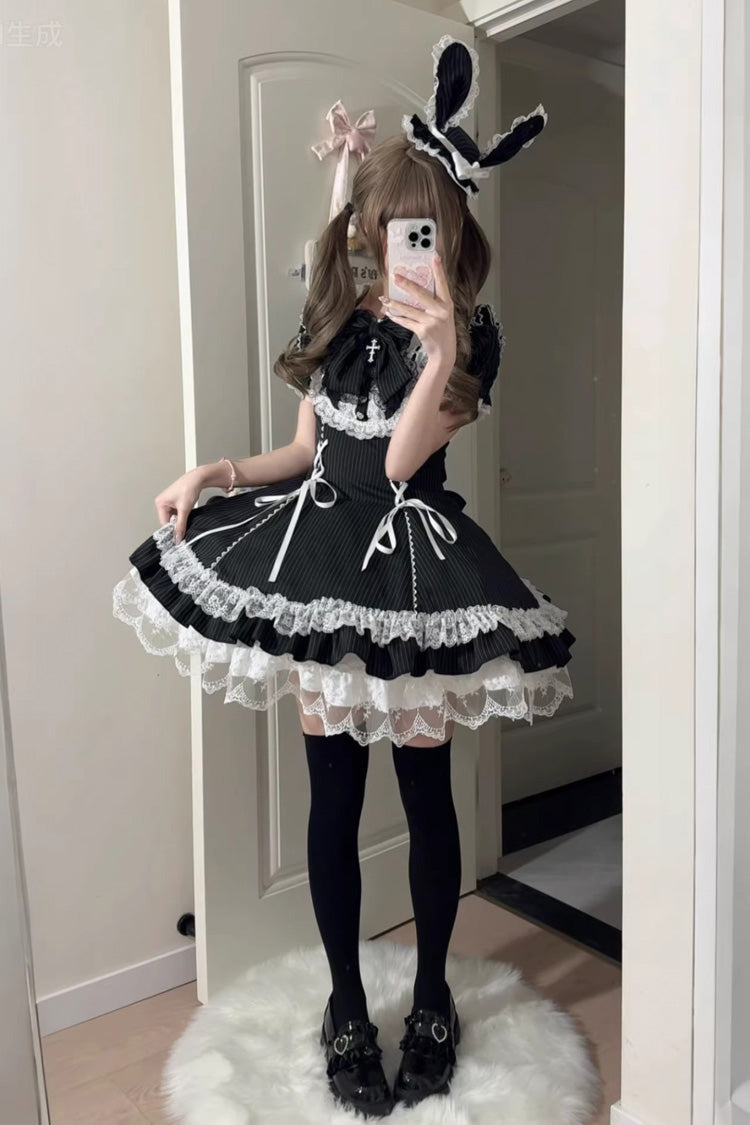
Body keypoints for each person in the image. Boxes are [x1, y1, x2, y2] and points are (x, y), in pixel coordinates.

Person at [113, 34, 575, 1119]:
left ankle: (432, 1002)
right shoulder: (336, 325)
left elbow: (404, 464)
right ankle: (343, 1004)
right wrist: (215, 472)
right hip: (318, 563)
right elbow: (303, 453)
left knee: (425, 796)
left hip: (413, 580)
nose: (404, 243)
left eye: (427, 228)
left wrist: (443, 344)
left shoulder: (470, 340)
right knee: (332, 799)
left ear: (451, 232)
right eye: (390, 224)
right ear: (367, 227)